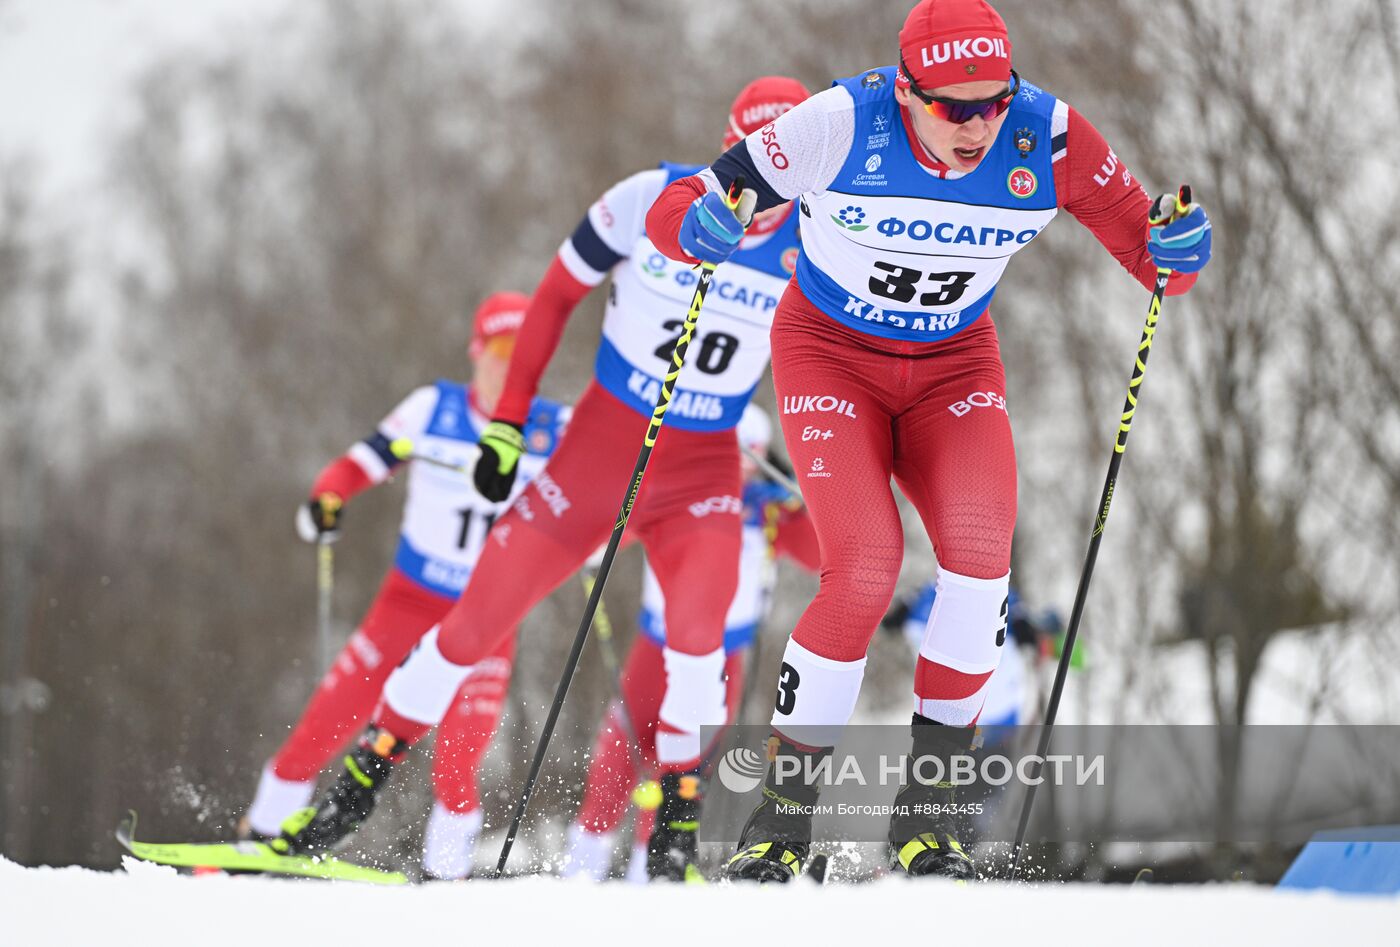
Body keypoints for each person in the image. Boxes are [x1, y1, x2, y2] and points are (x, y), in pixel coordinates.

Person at [645, 0, 1212, 882]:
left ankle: (929, 818)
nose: (979, 126)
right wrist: (693, 224)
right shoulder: (838, 123)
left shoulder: (1050, 135)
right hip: (832, 357)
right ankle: (782, 816)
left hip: (953, 366)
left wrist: (1180, 245)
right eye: (954, 107)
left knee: (983, 564)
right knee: (866, 565)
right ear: (906, 92)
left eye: (995, 101)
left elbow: (1154, 256)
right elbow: (694, 198)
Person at [275, 77, 814, 879]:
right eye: (761, 162)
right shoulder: (654, 196)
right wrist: (505, 422)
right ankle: (362, 778)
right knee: (474, 621)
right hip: (599, 452)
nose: (771, 191)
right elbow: (556, 296)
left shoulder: (825, 236)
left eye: (794, 167)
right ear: (733, 143)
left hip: (701, 470)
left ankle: (675, 821)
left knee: (699, 644)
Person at [241, 292, 568, 880]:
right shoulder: (431, 410)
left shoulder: (554, 428)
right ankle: (256, 845)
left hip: (489, 615)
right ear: (476, 352)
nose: (509, 365)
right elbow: (353, 467)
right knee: (327, 722)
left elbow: (607, 492)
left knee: (459, 757)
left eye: (524, 354)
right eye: (499, 350)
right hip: (409, 602)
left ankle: (446, 879)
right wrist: (327, 501)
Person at [562, 405, 818, 881]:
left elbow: (819, 554)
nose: (736, 466)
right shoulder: (680, 492)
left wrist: (796, 499)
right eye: (730, 452)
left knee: (680, 765)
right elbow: (620, 526)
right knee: (621, 751)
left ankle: (653, 867)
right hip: (656, 648)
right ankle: (582, 865)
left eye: (749, 456)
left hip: (724, 656)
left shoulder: (768, 509)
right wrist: (591, 541)